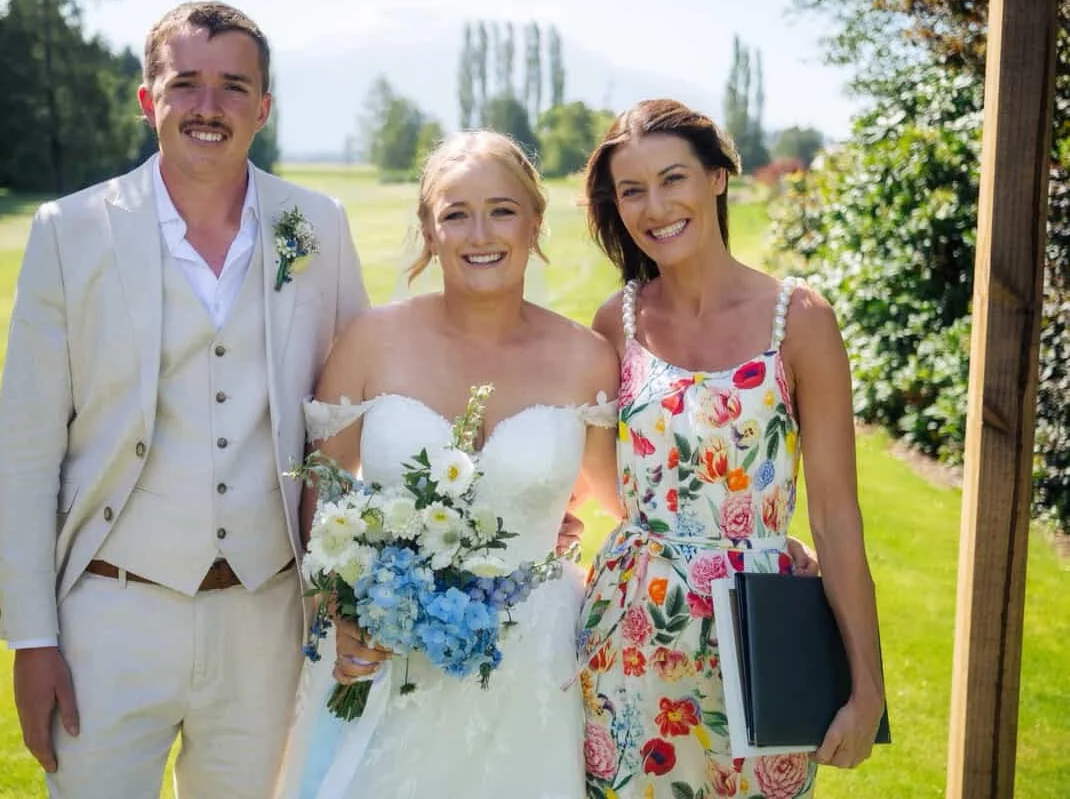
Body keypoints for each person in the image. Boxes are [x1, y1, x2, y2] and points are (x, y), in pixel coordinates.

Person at [0, 0, 369, 799]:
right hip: (109, 615)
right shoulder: (69, 231)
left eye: (233, 86)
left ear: (263, 108)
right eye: (185, 83)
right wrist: (31, 638)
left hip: (266, 617)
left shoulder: (317, 226)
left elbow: (352, 414)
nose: (208, 106)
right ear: (147, 99)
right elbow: (26, 451)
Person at [276, 130, 623, 799]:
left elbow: (627, 504)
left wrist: (753, 542)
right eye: (456, 214)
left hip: (533, 665)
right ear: (429, 231)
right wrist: (342, 607)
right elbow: (320, 498)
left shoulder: (586, 359)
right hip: (387, 651)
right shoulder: (371, 341)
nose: (479, 234)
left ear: (534, 223)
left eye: (501, 210)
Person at [576, 99, 885, 797]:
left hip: (760, 638)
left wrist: (867, 686)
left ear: (717, 177)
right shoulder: (616, 321)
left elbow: (837, 517)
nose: (656, 207)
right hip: (629, 635)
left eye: (674, 178)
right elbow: (600, 477)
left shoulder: (798, 318)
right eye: (632, 190)